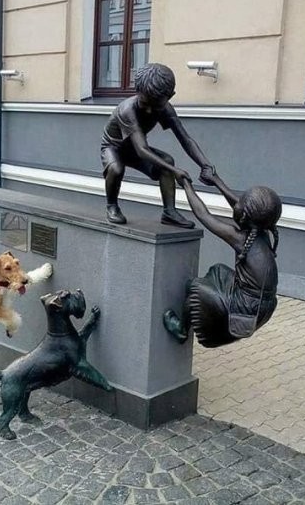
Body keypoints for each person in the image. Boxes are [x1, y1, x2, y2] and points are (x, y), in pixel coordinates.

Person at [164, 170, 282, 347]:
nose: (237, 203)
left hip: (247, 307)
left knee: (196, 287)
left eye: (241, 203)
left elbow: (204, 215)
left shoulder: (241, 239)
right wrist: (215, 180)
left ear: (245, 216)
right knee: (218, 271)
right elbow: (239, 207)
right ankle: (206, 304)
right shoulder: (262, 231)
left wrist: (186, 186)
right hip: (263, 304)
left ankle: (181, 329)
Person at [101, 63, 216, 228]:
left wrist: (205, 165)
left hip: (134, 149)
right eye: (145, 103)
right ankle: (111, 205)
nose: (149, 111)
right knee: (116, 169)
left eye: (155, 106)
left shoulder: (165, 109)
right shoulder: (127, 110)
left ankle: (169, 212)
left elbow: (186, 139)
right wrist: (175, 171)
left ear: (170, 96)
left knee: (167, 161)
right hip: (114, 147)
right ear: (137, 91)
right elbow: (142, 150)